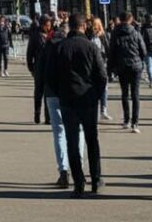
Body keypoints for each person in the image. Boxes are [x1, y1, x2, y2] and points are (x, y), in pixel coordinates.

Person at [48, 11, 107, 198]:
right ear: (84, 26)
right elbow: (102, 75)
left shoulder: (60, 47)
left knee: (71, 141)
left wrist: (61, 92)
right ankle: (96, 179)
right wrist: (96, 94)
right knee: (92, 140)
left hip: (67, 99)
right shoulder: (91, 47)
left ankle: (78, 182)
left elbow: (52, 76)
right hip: (88, 99)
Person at [39, 20, 85, 188]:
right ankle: (78, 169)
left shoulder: (49, 46)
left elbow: (42, 72)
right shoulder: (75, 46)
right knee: (78, 130)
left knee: (59, 132)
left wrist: (39, 100)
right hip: (73, 92)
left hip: (52, 93)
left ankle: (63, 170)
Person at [109, 11, 146, 133]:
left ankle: (126, 120)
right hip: (135, 65)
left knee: (124, 93)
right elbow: (143, 50)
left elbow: (111, 52)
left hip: (122, 66)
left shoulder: (115, 33)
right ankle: (135, 123)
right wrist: (139, 60)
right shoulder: (136, 33)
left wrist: (111, 69)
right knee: (135, 94)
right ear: (131, 19)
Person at [29, 16, 53, 124]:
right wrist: (32, 69)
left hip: (49, 68)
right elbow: (29, 54)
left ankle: (48, 117)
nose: (49, 27)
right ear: (42, 25)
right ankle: (37, 114)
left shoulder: (52, 35)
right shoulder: (35, 36)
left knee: (48, 93)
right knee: (38, 93)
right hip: (38, 68)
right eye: (47, 25)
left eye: (50, 25)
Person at [89, 18, 112, 120]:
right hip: (91, 65)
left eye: (96, 25)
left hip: (102, 64)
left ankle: (103, 110)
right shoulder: (88, 35)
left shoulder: (103, 35)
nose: (94, 27)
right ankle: (93, 111)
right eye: (93, 24)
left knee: (104, 87)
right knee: (92, 88)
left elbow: (107, 49)